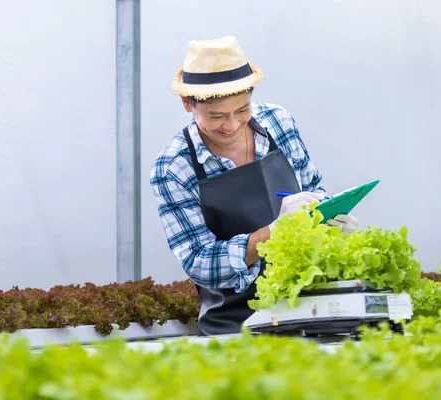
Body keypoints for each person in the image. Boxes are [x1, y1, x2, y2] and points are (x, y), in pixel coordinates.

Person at [150, 36, 359, 336]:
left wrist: (329, 219)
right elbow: (199, 261)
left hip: (310, 312)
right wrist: (272, 235)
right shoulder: (173, 167)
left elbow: (313, 187)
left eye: (243, 110)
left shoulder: (278, 122)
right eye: (216, 116)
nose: (232, 125)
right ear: (187, 103)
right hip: (234, 327)